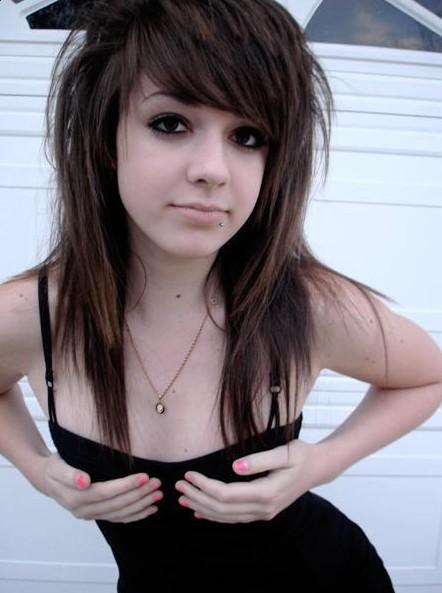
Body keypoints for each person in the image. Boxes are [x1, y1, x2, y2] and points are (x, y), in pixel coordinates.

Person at [1, 0, 441, 591]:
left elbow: (426, 376)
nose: (213, 169)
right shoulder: (34, 314)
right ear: (107, 138)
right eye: (170, 123)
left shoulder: (308, 306)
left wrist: (323, 462)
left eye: (247, 136)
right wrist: (35, 468)